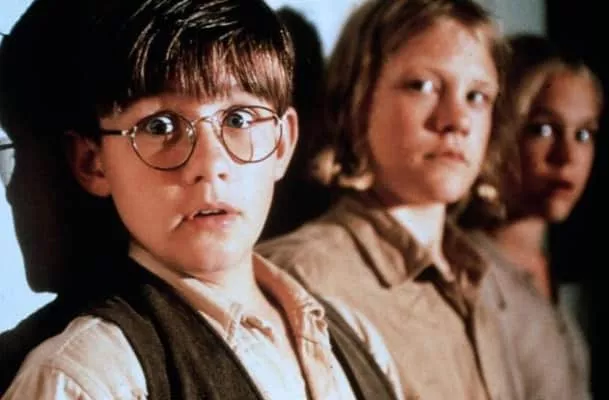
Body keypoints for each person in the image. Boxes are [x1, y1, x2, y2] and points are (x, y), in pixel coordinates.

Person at [0, 0, 403, 398]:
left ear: (282, 143)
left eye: (238, 119)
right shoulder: (91, 376)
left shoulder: (355, 339)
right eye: (160, 126)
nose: (210, 165)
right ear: (94, 164)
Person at [257, 0, 518, 399]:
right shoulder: (301, 277)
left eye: (477, 96)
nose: (457, 120)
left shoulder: (477, 278)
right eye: (422, 86)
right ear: (358, 99)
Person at [460, 34, 602, 400]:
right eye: (542, 129)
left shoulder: (549, 269)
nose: (566, 156)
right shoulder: (470, 272)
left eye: (583, 134)